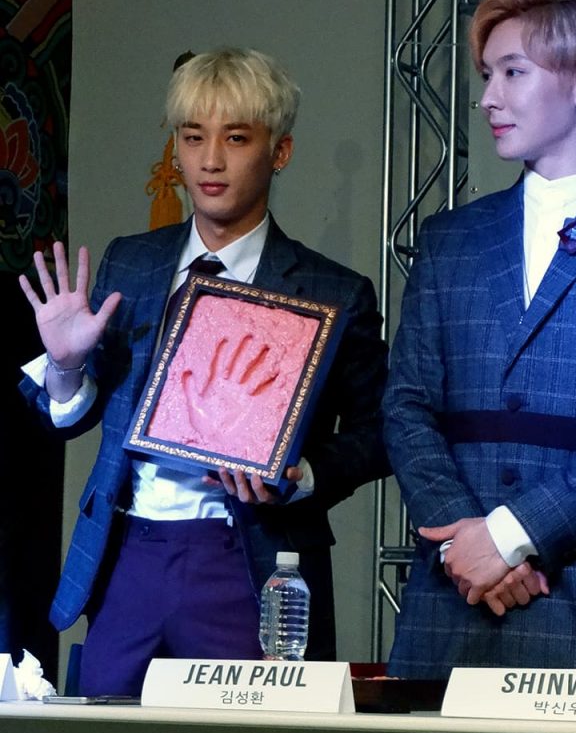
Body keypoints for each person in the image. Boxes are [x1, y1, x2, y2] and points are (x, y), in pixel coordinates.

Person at [19, 48, 389, 696]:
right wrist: (67, 365)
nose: (210, 160)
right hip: (126, 553)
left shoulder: (334, 291)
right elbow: (69, 414)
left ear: (280, 152)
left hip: (251, 559)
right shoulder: (130, 263)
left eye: (235, 138)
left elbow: (382, 430)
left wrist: (299, 475)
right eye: (192, 137)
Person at [383, 0, 576, 678]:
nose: (489, 97)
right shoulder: (450, 239)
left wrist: (510, 536)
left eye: (513, 72)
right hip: (452, 603)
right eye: (486, 76)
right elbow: (406, 406)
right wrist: (463, 544)